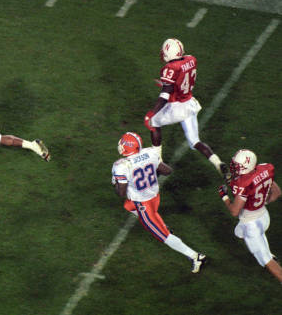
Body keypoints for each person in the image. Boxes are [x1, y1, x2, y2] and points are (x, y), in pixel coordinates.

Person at [112, 131, 207, 273]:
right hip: (155, 196)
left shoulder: (121, 166)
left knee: (163, 236)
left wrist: (115, 182)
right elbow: (167, 171)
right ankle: (162, 224)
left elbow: (121, 193)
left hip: (143, 204)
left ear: (127, 147)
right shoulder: (150, 153)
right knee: (128, 205)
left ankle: (195, 256)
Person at [143, 38, 230, 180]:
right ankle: (218, 163)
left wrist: (152, 113)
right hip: (189, 103)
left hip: (176, 107)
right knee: (195, 141)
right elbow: (181, 78)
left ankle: (158, 162)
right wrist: (166, 84)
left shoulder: (170, 68)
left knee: (154, 123)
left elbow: (165, 95)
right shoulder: (191, 59)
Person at [218, 149, 282, 283]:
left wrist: (224, 197)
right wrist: (261, 202)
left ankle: (268, 257)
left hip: (251, 225)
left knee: (267, 262)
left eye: (238, 166)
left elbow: (234, 211)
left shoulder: (243, 184)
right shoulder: (266, 169)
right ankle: (265, 252)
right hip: (264, 216)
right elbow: (276, 192)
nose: (234, 168)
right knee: (243, 234)